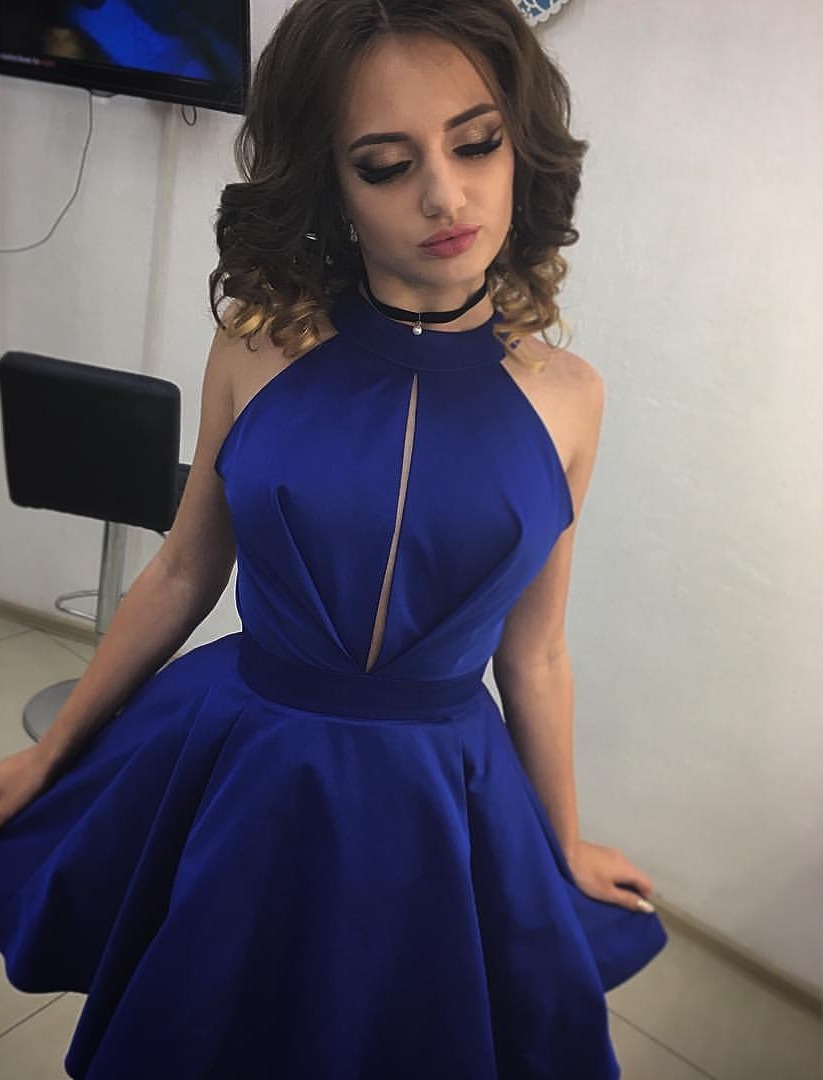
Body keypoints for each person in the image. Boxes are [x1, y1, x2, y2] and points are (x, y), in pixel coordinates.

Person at [0, 1, 668, 1076]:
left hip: (437, 793)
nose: (444, 195)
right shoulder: (256, 346)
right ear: (332, 186)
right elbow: (183, 568)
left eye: (476, 143)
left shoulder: (568, 397)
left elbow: (536, 652)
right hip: (246, 763)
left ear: (522, 148)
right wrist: (51, 751)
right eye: (386, 164)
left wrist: (562, 842)